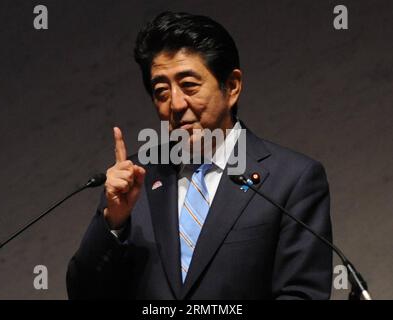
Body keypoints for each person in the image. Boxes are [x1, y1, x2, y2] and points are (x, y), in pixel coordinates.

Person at [66, 11, 332, 300]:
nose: (176, 104)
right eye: (161, 91)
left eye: (189, 85)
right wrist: (112, 223)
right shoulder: (133, 180)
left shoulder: (290, 180)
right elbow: (84, 294)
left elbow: (302, 294)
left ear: (231, 86)